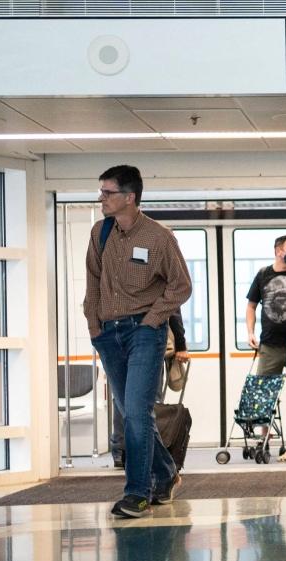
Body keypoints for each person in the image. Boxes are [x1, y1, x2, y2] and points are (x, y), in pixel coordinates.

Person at [83, 164, 191, 518]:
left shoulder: (160, 237)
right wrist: (94, 326)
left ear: (129, 198)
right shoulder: (100, 233)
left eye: (107, 192)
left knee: (137, 412)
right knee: (131, 412)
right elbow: (93, 282)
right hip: (108, 334)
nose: (102, 198)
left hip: (145, 333)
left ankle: (137, 494)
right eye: (101, 192)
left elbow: (181, 286)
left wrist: (151, 322)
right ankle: (167, 473)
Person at [246, 234, 286, 448]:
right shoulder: (263, 275)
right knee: (265, 392)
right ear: (278, 251)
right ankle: (264, 439)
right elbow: (251, 306)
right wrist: (250, 332)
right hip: (270, 345)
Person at [110, 312, 189, 468]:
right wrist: (180, 343)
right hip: (149, 340)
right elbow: (173, 307)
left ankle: (121, 449)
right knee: (150, 399)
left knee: (122, 396)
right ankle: (147, 450)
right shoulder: (154, 287)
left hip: (117, 337)